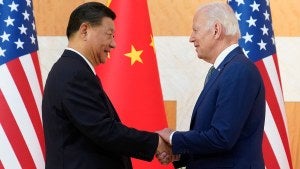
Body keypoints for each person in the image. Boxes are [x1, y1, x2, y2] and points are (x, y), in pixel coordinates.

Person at [42, 2, 171, 169]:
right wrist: (156, 143)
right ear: (85, 30)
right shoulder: (74, 73)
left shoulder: (71, 69)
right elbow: (104, 130)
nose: (113, 44)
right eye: (109, 35)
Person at [157, 2, 266, 169]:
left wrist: (173, 137)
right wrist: (179, 153)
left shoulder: (238, 70)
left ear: (216, 30)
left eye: (195, 30)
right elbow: (215, 138)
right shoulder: (224, 70)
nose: (191, 38)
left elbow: (222, 137)